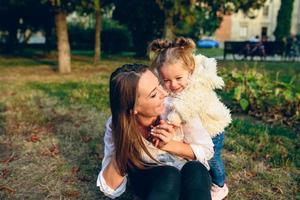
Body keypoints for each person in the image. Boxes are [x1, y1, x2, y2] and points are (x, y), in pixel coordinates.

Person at [97, 63, 214, 200]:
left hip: (188, 174)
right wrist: (125, 141)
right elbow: (110, 188)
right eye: (153, 95)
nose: (164, 93)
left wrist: (169, 145)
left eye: (159, 84)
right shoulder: (116, 125)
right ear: (133, 109)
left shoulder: (179, 108)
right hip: (153, 178)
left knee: (196, 169)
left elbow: (207, 151)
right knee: (169, 174)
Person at [148, 37, 232, 200]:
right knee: (195, 160)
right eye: (166, 80)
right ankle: (197, 174)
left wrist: (171, 124)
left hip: (212, 130)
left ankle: (220, 185)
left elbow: (183, 109)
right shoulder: (176, 85)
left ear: (190, 69)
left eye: (178, 78)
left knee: (214, 160)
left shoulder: (196, 87)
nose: (172, 85)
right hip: (196, 132)